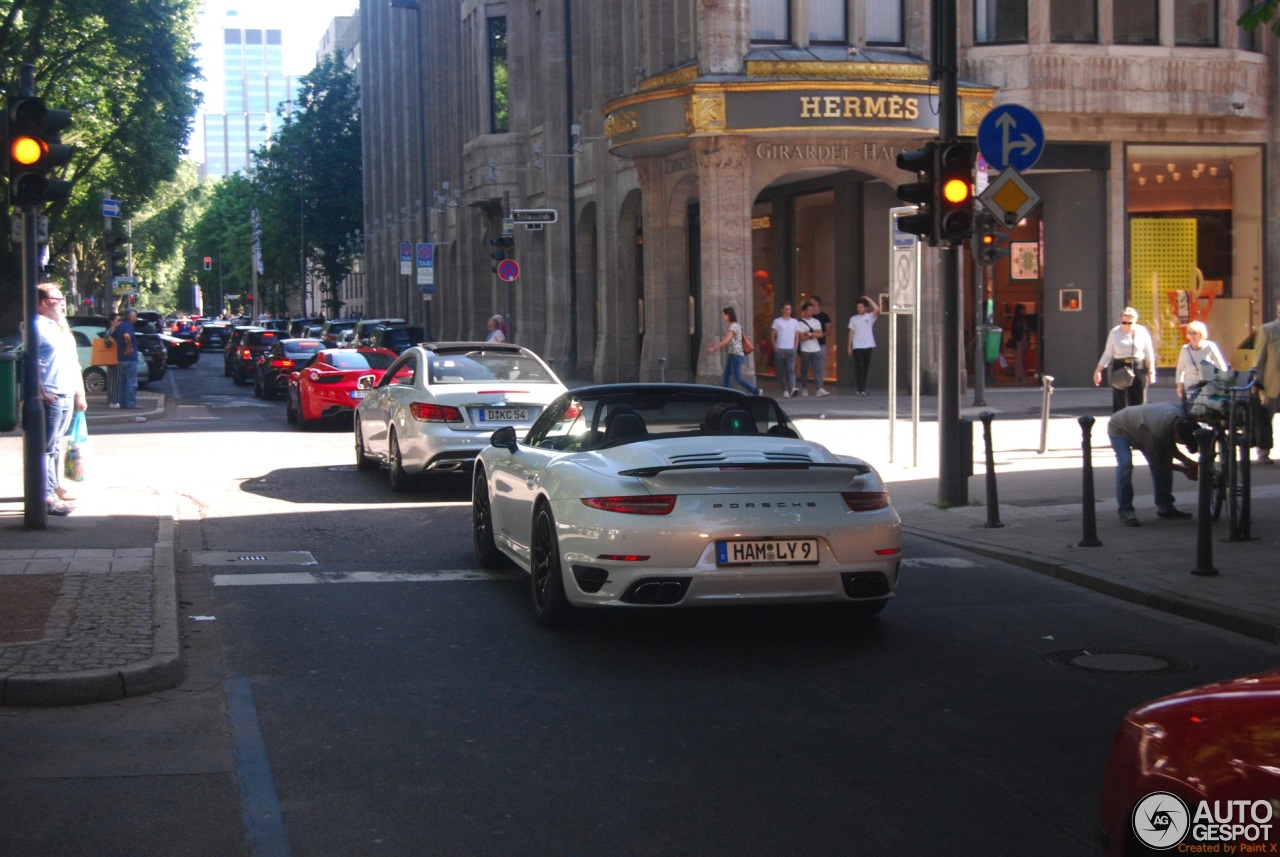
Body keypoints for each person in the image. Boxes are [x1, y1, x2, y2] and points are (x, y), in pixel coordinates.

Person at [35, 283, 86, 516]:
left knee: (54, 447)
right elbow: (30, 362)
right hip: (52, 396)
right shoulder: (37, 326)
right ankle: (44, 497)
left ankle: (53, 488)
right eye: (58, 299)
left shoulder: (59, 328)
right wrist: (40, 391)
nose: (63, 303)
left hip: (65, 394)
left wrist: (80, 394)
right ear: (44, 303)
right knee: (46, 448)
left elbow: (73, 363)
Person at [1107, 402, 1199, 527]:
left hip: (1141, 423)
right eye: (1181, 441)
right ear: (1176, 434)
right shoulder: (1156, 432)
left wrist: (1187, 462)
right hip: (1120, 427)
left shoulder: (1180, 418)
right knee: (1125, 465)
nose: (1180, 443)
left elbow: (1169, 446)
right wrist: (1185, 470)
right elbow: (1159, 462)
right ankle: (1125, 511)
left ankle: (1165, 507)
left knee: (1164, 460)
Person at [1093, 306, 1157, 413]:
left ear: (1135, 321)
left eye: (1130, 323)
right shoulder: (1115, 332)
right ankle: (1120, 425)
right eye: (1124, 322)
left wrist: (1152, 370)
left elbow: (1149, 352)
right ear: (1120, 321)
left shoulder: (1141, 331)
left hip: (1137, 366)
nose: (1127, 325)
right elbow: (1108, 353)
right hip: (1120, 366)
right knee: (1120, 399)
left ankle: (1137, 426)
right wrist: (1098, 370)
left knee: (1139, 400)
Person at [706, 306, 760, 395]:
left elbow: (726, 340)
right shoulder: (735, 325)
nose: (723, 317)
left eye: (724, 315)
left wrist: (714, 347)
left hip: (736, 355)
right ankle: (727, 395)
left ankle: (756, 391)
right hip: (733, 354)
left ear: (728, 315)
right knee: (726, 376)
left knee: (737, 377)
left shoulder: (733, 326)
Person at [1251, 299, 1280, 465]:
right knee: (1265, 418)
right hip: (1272, 383)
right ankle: (1263, 451)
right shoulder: (1268, 330)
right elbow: (1259, 358)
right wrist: (1256, 381)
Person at [1174, 320, 1227, 400]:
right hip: (1191, 386)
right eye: (1189, 333)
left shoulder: (1210, 347)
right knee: (1197, 405)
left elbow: (1221, 366)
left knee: (1207, 405)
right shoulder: (1185, 349)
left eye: (1194, 333)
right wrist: (1179, 386)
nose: (1192, 336)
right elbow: (1180, 369)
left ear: (1201, 334)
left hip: (1207, 384)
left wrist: (1223, 383)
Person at [846, 295, 879, 397]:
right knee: (859, 367)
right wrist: (849, 346)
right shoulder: (854, 318)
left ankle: (862, 387)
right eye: (857, 307)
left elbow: (877, 309)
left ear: (865, 308)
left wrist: (868, 299)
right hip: (857, 346)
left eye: (861, 307)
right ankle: (861, 388)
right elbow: (851, 332)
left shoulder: (869, 317)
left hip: (868, 345)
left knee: (865, 368)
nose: (858, 309)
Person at [770, 302, 803, 398]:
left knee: (791, 369)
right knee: (782, 371)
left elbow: (797, 336)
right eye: (786, 309)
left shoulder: (794, 322)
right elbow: (772, 336)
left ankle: (792, 388)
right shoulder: (777, 321)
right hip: (780, 349)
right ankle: (785, 389)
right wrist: (775, 348)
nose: (788, 311)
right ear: (782, 310)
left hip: (790, 349)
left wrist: (795, 347)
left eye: (789, 309)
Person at [796, 302, 828, 397]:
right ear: (804, 311)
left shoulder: (816, 321)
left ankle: (819, 388)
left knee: (817, 369)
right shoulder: (800, 323)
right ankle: (804, 388)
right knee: (805, 370)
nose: (811, 311)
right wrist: (814, 333)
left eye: (812, 309)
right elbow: (802, 337)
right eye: (809, 309)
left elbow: (820, 334)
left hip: (816, 348)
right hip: (805, 349)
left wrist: (809, 334)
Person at [112, 307, 139, 409]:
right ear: (131, 317)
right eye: (135, 316)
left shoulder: (120, 326)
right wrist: (129, 347)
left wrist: (119, 346)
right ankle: (131, 403)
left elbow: (111, 336)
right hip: (130, 357)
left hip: (121, 358)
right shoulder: (129, 326)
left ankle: (122, 402)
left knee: (122, 381)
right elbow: (127, 335)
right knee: (131, 381)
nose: (136, 318)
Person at [104, 311, 122, 408]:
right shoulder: (111, 331)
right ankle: (114, 401)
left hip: (112, 359)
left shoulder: (110, 331)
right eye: (118, 320)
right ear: (112, 322)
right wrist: (113, 341)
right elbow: (107, 344)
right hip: (113, 359)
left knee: (112, 380)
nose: (119, 322)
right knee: (114, 380)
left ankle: (112, 400)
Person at [1010, 304, 1031, 384]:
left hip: (1024, 338)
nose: (1023, 311)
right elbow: (1014, 330)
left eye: (1024, 310)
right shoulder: (1016, 319)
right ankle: (1019, 376)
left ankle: (1024, 375)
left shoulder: (1025, 319)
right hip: (1019, 339)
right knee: (1019, 358)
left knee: (1024, 358)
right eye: (1022, 310)